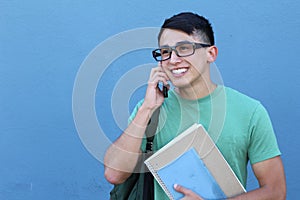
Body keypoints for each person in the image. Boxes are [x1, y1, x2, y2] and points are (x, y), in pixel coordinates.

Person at [104, 12, 286, 199]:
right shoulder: (149, 109)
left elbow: (276, 191)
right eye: (165, 52)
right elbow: (114, 174)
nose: (173, 60)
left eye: (184, 48)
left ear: (211, 53)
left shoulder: (250, 112)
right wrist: (147, 109)